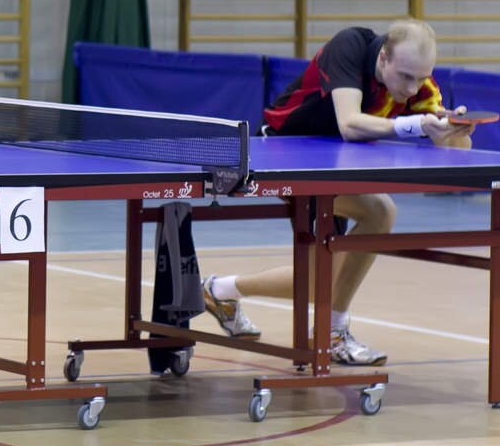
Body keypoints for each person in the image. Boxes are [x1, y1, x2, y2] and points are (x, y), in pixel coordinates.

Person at [200, 19, 475, 366]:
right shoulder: (349, 48)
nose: (412, 87)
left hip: (336, 166)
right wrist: (415, 125)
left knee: (322, 278)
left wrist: (453, 130)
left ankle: (219, 291)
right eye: (405, 76)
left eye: (421, 78)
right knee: (377, 215)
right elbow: (349, 124)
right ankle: (331, 332)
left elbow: (459, 150)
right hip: (286, 153)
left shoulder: (419, 83)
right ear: (384, 57)